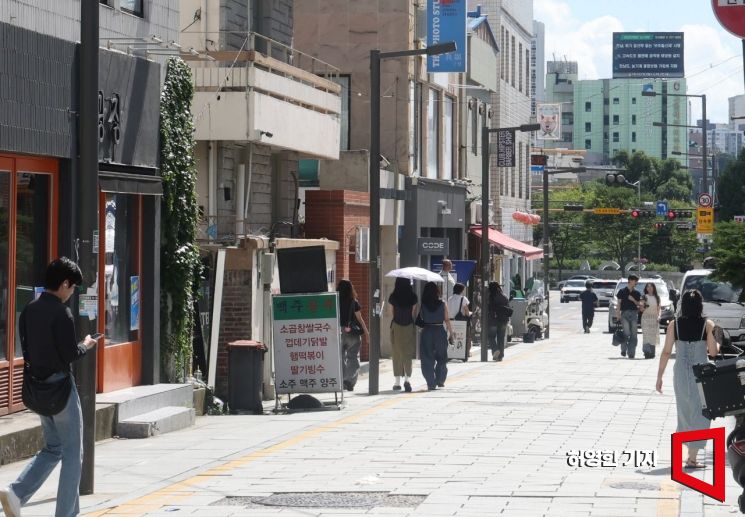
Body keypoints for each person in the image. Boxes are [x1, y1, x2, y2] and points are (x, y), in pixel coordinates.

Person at [0, 258, 98, 517]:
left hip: (38, 388)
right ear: (64, 283)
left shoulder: (30, 308)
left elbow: (28, 348)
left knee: (53, 447)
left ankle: (16, 492)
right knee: (72, 454)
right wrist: (86, 345)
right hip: (61, 390)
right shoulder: (61, 312)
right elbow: (68, 354)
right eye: (73, 287)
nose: (72, 293)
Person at [656, 289, 718, 469]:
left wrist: (659, 377)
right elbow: (713, 353)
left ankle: (689, 452)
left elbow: (667, 352)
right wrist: (718, 343)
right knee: (702, 412)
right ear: (700, 305)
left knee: (684, 411)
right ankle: (692, 457)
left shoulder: (674, 325)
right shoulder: (707, 324)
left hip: (681, 374)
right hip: (702, 374)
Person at [418, 281, 453, 390]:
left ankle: (431, 382)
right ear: (437, 291)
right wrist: (451, 333)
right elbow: (447, 319)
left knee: (427, 358)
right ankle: (440, 379)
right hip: (439, 331)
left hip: (427, 331)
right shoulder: (443, 304)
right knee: (442, 357)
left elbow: (419, 320)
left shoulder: (423, 305)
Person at [337, 279, 369, 392]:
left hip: (337, 332)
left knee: (340, 357)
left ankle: (342, 381)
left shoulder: (334, 301)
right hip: (351, 333)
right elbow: (359, 318)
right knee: (353, 357)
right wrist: (366, 332)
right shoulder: (353, 302)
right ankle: (349, 381)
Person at [388, 277, 418, 392]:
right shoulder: (413, 296)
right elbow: (413, 313)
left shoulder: (393, 296)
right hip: (409, 325)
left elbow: (392, 312)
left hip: (396, 325)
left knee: (397, 353)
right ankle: (407, 380)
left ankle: (397, 382)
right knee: (407, 352)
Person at [615, 274, 642, 358]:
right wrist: (618, 314)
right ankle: (623, 350)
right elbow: (618, 303)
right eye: (635, 281)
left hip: (634, 313)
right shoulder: (622, 291)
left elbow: (639, 304)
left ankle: (631, 353)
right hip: (624, 314)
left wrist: (633, 300)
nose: (636, 282)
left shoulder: (637, 293)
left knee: (634, 334)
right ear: (630, 280)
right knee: (626, 333)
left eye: (636, 281)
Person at [486, 282, 511, 362]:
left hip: (493, 319)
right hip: (503, 320)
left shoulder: (489, 297)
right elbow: (508, 308)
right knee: (501, 337)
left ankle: (495, 350)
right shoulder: (504, 296)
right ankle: (500, 356)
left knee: (491, 336)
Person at [447, 283, 472, 360]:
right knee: (462, 338)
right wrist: (470, 313)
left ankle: (450, 354)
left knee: (451, 338)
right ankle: (463, 355)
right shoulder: (463, 299)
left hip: (450, 322)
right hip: (460, 322)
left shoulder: (449, 299)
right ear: (461, 290)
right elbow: (467, 312)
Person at [641, 282, 661, 359]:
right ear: (646, 288)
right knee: (646, 336)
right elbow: (641, 308)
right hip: (646, 318)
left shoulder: (657, 297)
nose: (649, 288)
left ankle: (652, 352)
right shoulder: (643, 297)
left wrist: (659, 316)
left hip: (654, 318)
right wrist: (643, 306)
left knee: (653, 336)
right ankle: (646, 352)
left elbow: (659, 309)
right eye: (648, 287)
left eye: (651, 287)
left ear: (654, 288)